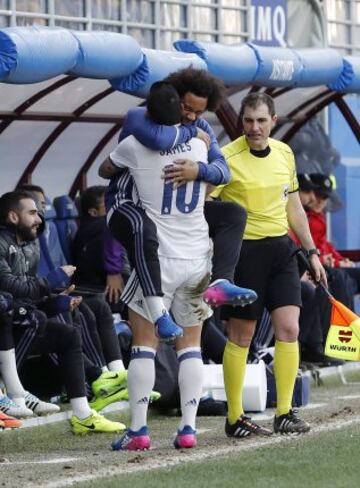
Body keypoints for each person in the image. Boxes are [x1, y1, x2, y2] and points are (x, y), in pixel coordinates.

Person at [101, 68, 256, 340]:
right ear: (173, 97)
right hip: (138, 208)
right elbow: (160, 139)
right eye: (187, 108)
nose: (192, 117)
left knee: (233, 214)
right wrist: (190, 135)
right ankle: (158, 313)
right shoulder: (141, 117)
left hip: (176, 213)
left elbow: (223, 172)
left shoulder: (201, 127)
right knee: (143, 230)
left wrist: (198, 170)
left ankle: (222, 280)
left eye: (199, 112)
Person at [99, 81, 213, 450]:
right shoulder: (200, 143)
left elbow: (104, 169)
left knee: (143, 346)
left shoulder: (134, 145)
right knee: (190, 347)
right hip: (196, 254)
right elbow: (219, 175)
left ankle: (138, 430)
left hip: (158, 258)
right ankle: (188, 429)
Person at [211, 93, 327, 436]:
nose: (255, 128)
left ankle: (285, 412)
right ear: (241, 122)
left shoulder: (284, 153)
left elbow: (294, 208)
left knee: (289, 328)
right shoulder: (226, 157)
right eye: (248, 121)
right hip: (244, 254)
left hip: (282, 252)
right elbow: (206, 207)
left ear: (273, 121)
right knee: (241, 335)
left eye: (261, 121)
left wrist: (312, 252)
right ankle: (234, 418)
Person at [0, 190, 127, 433]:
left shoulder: (29, 247)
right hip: (6, 322)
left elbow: (25, 296)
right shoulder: (2, 243)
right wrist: (50, 282)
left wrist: (54, 302)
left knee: (67, 334)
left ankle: (83, 414)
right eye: (32, 213)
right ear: (13, 217)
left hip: (14, 321)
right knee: (32, 318)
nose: (39, 219)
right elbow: (8, 287)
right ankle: (12, 392)